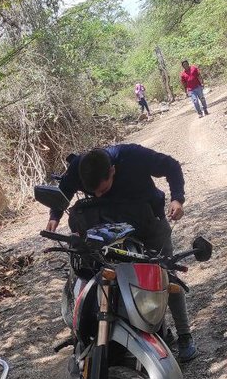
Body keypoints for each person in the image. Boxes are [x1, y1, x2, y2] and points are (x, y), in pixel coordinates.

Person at [44, 145, 197, 362]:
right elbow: (64, 189)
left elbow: (171, 166)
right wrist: (55, 216)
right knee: (109, 278)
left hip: (148, 224)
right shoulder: (80, 165)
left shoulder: (133, 156)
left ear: (113, 171)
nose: (97, 195)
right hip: (109, 227)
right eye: (92, 192)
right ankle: (149, 331)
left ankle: (184, 335)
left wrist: (177, 199)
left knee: (164, 274)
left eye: (102, 190)